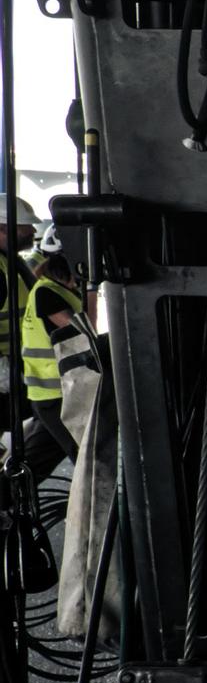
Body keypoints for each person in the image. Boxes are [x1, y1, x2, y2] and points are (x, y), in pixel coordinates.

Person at [0, 199, 72, 480]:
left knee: (50, 434)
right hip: (9, 372)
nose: (32, 231)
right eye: (24, 227)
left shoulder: (12, 262)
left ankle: (9, 499)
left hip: (22, 370)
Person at [19, 227, 94, 461]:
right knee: (85, 458)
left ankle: (9, 496)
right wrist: (91, 287)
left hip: (60, 394)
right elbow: (85, 330)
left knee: (36, 462)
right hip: (55, 396)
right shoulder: (47, 294)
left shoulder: (58, 289)